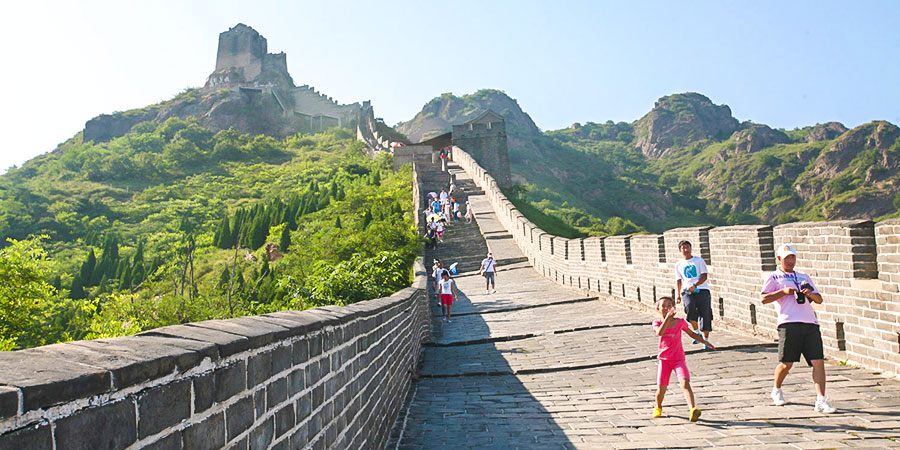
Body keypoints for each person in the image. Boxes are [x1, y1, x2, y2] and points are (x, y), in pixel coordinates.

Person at [761, 244, 835, 413]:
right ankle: (776, 389)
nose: (790, 261)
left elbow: (819, 299)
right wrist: (783, 291)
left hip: (810, 323)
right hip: (788, 323)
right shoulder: (774, 278)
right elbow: (764, 298)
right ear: (779, 259)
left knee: (818, 362)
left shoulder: (803, 276)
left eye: (792, 257)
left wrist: (809, 293)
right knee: (787, 363)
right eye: (787, 258)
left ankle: (821, 400)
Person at [652, 296, 716, 421]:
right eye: (663, 306)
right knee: (661, 389)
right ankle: (658, 407)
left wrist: (705, 342)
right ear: (658, 309)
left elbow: (691, 333)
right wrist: (667, 319)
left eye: (669, 306)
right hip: (664, 360)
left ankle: (693, 409)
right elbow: (660, 332)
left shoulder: (680, 322)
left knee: (685, 383)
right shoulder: (657, 323)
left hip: (678, 359)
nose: (666, 308)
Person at [674, 241, 713, 348]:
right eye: (683, 248)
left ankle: (706, 341)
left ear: (691, 248)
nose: (685, 250)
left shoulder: (698, 260)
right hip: (687, 291)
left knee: (705, 314)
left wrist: (695, 285)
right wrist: (678, 295)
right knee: (689, 309)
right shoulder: (678, 264)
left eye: (687, 247)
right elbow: (678, 280)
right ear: (680, 250)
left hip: (702, 290)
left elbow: (704, 276)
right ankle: (696, 332)